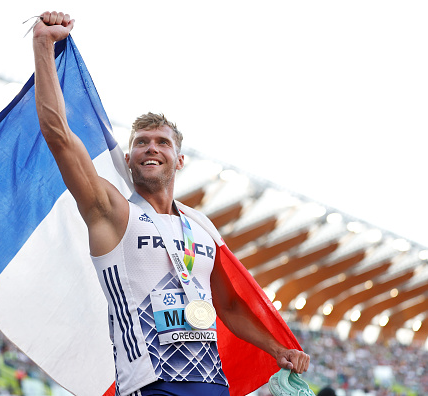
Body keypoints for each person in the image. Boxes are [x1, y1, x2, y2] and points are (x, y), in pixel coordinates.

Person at [32, 11, 310, 396]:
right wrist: (43, 45)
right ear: (128, 159)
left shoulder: (201, 228)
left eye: (162, 142)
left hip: (212, 382)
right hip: (151, 383)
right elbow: (58, 135)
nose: (151, 148)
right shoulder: (113, 212)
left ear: (179, 160)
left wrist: (278, 349)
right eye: (141, 142)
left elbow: (227, 306)